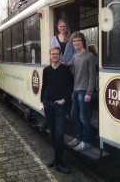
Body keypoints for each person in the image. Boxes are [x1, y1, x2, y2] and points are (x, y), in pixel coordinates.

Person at [40, 46, 73, 174]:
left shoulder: (65, 69)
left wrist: (64, 100)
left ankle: (58, 162)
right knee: (53, 133)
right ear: (50, 55)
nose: (55, 56)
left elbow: (70, 87)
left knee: (59, 134)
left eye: (57, 54)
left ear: (60, 55)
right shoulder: (46, 70)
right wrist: (42, 102)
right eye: (53, 54)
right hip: (48, 104)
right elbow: (44, 87)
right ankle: (57, 159)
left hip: (59, 105)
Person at [67, 32, 96, 151]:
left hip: (84, 91)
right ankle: (78, 138)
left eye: (78, 40)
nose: (76, 43)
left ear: (82, 41)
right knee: (74, 115)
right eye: (74, 41)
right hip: (76, 90)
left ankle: (86, 141)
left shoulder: (89, 56)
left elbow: (92, 76)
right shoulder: (75, 57)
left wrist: (89, 93)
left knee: (84, 118)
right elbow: (73, 72)